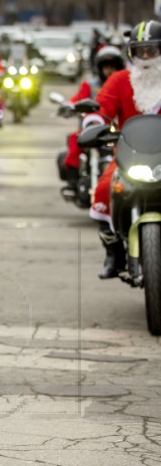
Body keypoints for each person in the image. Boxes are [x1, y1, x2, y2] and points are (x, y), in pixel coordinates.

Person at [83, 20, 161, 278]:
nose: (146, 57)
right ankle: (114, 251)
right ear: (132, 53)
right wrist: (94, 124)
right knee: (104, 188)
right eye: (141, 51)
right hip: (130, 154)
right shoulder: (119, 80)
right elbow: (102, 107)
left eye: (152, 50)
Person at [59, 46, 126, 195]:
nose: (110, 71)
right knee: (76, 140)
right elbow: (78, 99)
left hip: (120, 130)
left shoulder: (125, 83)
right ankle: (72, 182)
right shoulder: (90, 85)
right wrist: (69, 106)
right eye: (106, 67)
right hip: (95, 129)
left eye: (113, 67)